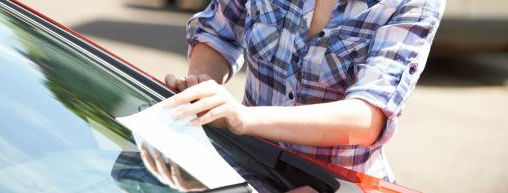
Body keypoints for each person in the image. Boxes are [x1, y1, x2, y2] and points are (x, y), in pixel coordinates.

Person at [141, 0, 445, 191]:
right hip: (247, 169)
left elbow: (368, 116)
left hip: (338, 184)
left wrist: (244, 118)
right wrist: (202, 84)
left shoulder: (412, 3)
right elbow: (218, 30)